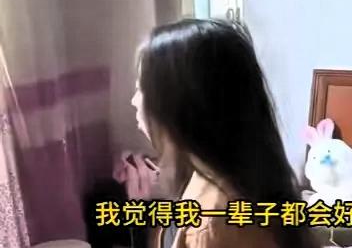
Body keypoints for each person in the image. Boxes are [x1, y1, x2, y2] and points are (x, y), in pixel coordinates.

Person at [131, 19, 321, 248]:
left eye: (141, 89)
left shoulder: (214, 225)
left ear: (180, 104)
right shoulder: (221, 174)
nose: (134, 101)